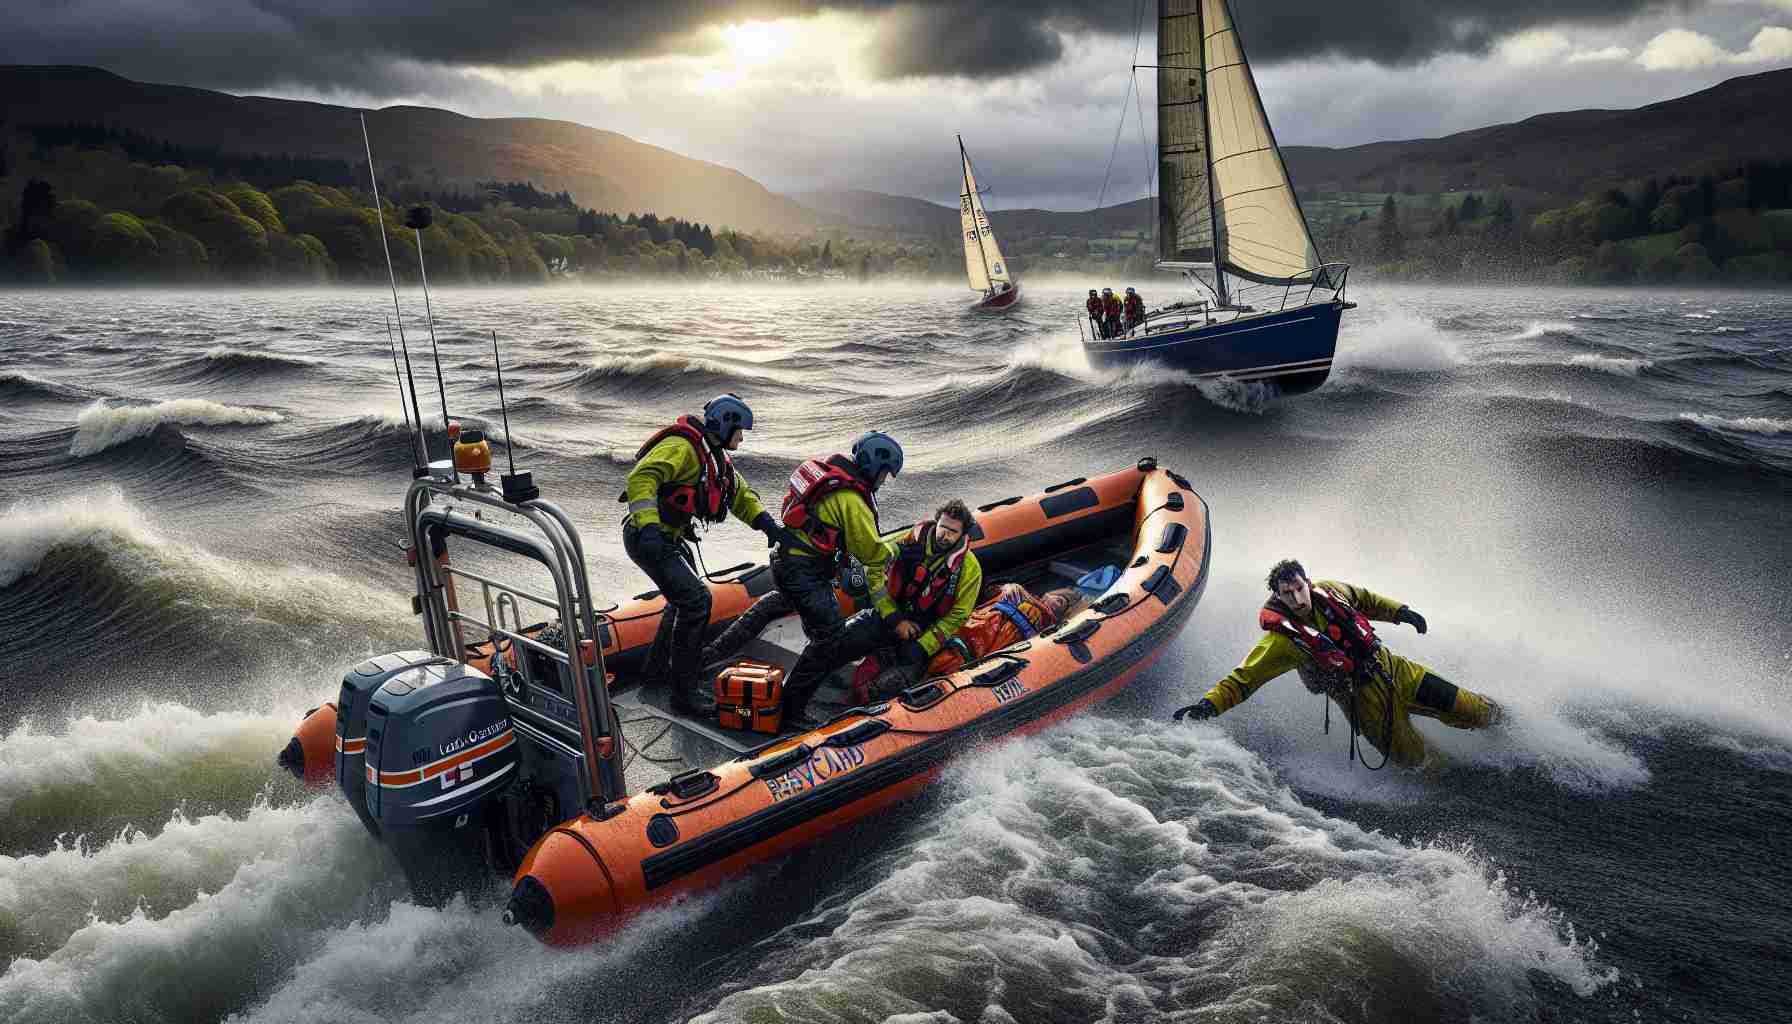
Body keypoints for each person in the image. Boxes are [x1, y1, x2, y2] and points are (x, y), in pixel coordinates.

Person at [1172, 560, 1504, 771]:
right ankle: (1456, 787)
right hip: (1366, 705)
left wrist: (1402, 612)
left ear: (1308, 582)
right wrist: (1208, 706)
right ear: (1276, 596)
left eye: (1300, 588)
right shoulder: (1281, 642)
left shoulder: (1331, 591)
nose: (1298, 598)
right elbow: (1243, 680)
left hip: (1396, 671)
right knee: (1421, 764)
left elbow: (1367, 600)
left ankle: (1511, 724)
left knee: (1472, 708)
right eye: (1288, 594)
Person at [621, 393, 792, 716]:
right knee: (697, 600)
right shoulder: (684, 448)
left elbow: (740, 497)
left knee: (682, 600)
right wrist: (649, 527)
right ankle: (683, 693)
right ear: (724, 424)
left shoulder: (715, 457)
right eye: (739, 430)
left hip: (668, 538)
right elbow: (641, 477)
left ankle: (656, 672)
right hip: (647, 537)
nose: (742, 437)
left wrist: (770, 527)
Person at [784, 497, 983, 729]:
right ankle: (789, 709)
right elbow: (873, 572)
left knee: (892, 689)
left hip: (922, 636)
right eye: (943, 527)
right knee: (828, 645)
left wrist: (924, 645)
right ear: (936, 522)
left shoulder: (969, 569)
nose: (944, 535)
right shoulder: (907, 541)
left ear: (963, 534)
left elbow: (958, 615)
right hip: (888, 618)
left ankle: (852, 726)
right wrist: (894, 618)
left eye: (952, 531)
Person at [909, 583, 1083, 680]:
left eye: (1061, 605)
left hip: (993, 646)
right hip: (978, 627)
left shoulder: (1046, 623)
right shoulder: (1016, 591)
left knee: (954, 663)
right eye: (1057, 599)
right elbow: (990, 593)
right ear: (1048, 593)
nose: (1055, 604)